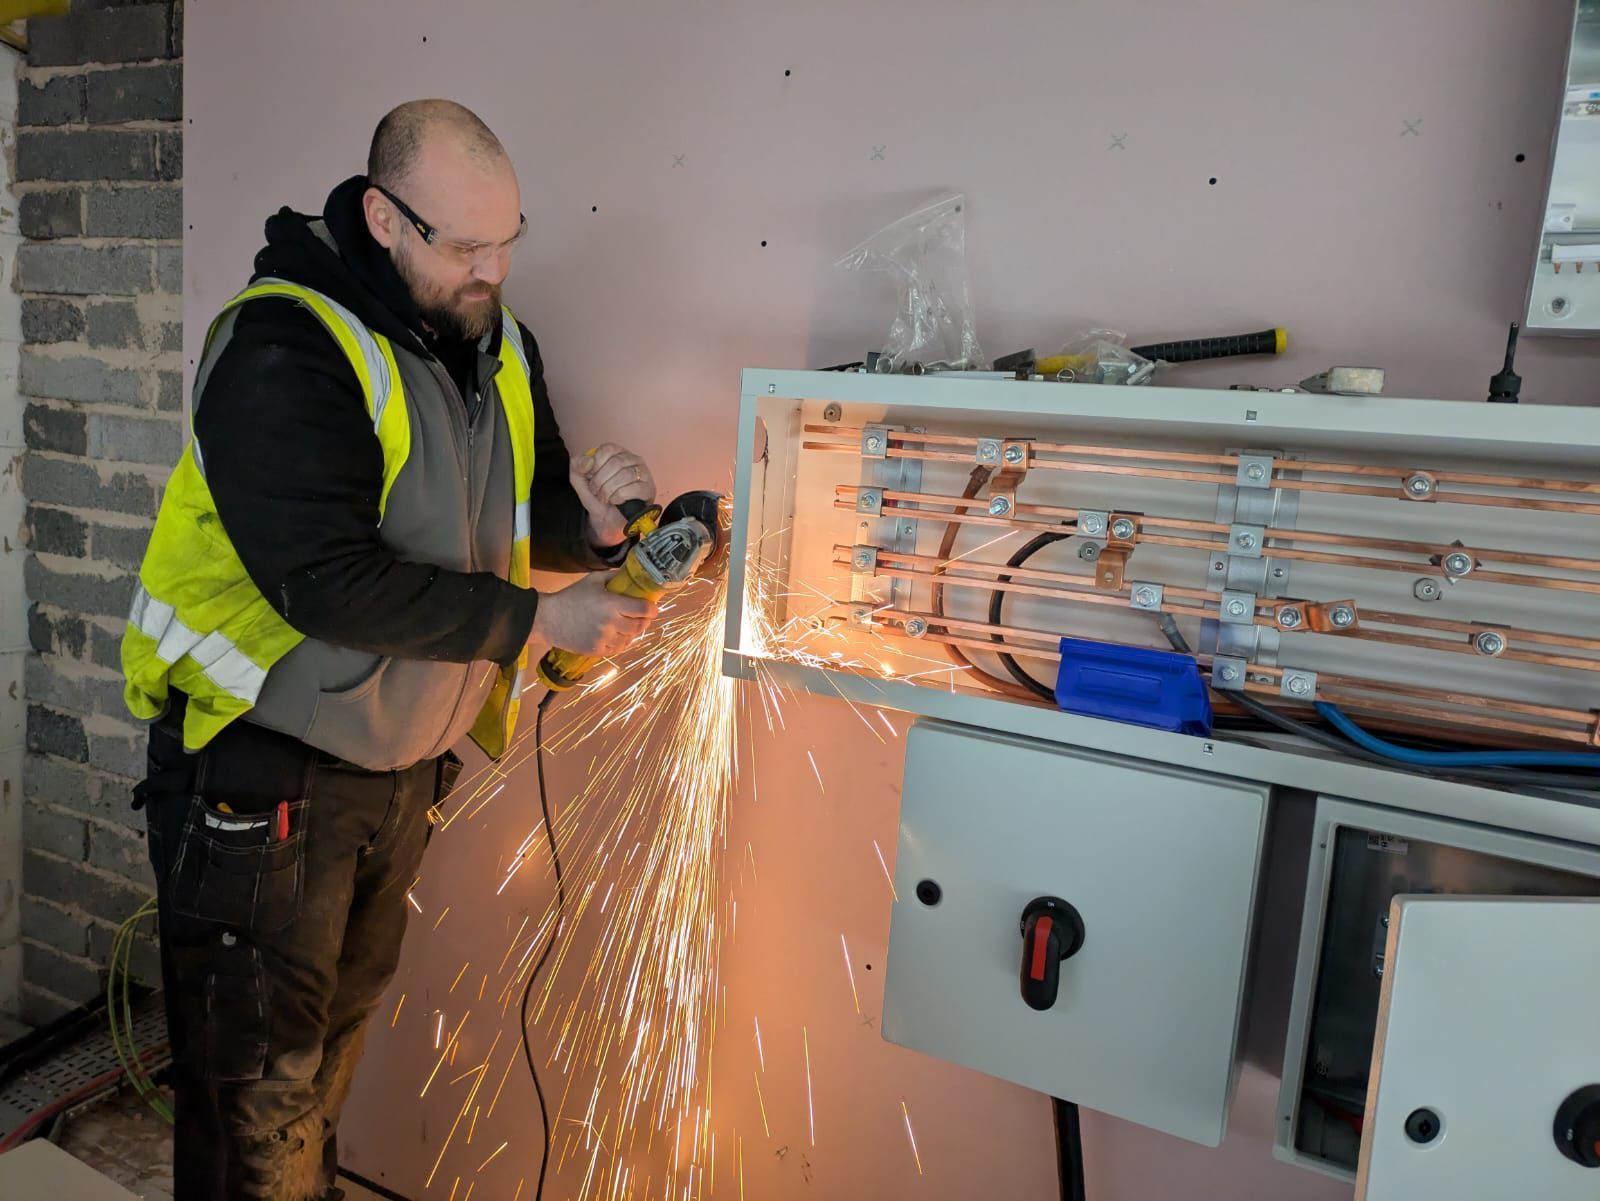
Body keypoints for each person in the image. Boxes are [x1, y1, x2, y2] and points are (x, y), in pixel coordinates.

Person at [122, 99, 656, 1201]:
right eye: (464, 246)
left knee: (316, 1088)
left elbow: (515, 502)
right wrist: (537, 623)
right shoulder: (283, 344)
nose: (492, 270)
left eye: (508, 239)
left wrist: (590, 527)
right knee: (255, 1116)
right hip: (262, 780)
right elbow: (322, 577)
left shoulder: (493, 339)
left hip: (398, 781)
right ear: (381, 216)